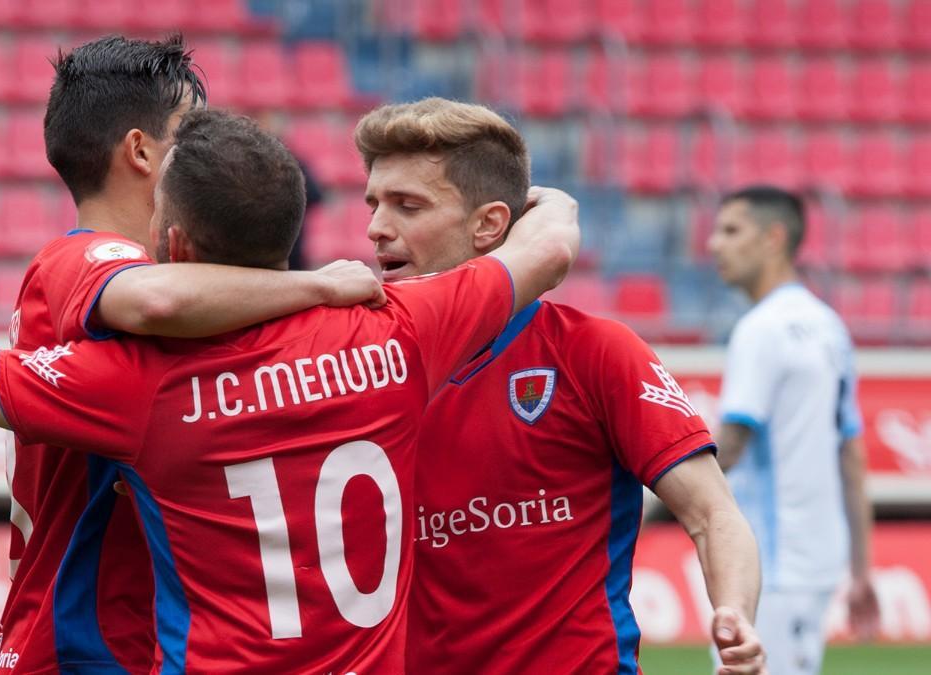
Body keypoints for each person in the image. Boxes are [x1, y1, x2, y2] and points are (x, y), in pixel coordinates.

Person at [0, 109, 580, 672]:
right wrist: (523, 190)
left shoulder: (144, 382)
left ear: (174, 246)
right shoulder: (400, 329)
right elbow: (551, 243)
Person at [0, 34, 388, 673]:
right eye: (186, 128)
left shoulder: (125, 275)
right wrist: (317, 285)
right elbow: (153, 301)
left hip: (101, 632)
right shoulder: (91, 258)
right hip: (87, 639)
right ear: (140, 151)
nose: (201, 145)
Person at [352, 98, 766, 675]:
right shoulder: (360, 367)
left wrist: (734, 614)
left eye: (408, 205)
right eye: (374, 203)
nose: (376, 227)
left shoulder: (593, 352)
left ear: (489, 224)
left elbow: (713, 513)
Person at [708, 186, 879, 674]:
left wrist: (652, 497)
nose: (714, 244)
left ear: (773, 238)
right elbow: (851, 453)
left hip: (769, 563)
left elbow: (732, 444)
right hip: (816, 561)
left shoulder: (761, 329)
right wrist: (861, 571)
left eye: (731, 230)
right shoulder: (829, 326)